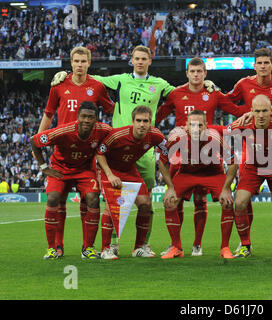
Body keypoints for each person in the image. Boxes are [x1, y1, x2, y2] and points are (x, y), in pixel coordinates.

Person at [51, 45, 219, 255]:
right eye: (136, 58)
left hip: (144, 151)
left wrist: (204, 84)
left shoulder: (159, 84)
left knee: (145, 200)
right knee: (113, 200)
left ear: (150, 61)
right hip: (116, 147)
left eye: (143, 58)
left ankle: (142, 245)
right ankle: (110, 244)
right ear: (131, 60)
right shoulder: (119, 79)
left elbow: (182, 93)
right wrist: (65, 75)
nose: (139, 61)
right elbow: (88, 77)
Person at [155, 57, 248, 256]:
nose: (196, 75)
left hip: (208, 155)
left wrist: (253, 113)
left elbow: (236, 110)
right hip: (181, 157)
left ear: (205, 74)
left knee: (200, 200)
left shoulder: (213, 94)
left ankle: (199, 244)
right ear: (187, 73)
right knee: (173, 199)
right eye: (193, 71)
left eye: (200, 71)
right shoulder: (176, 94)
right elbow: (157, 116)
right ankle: (176, 245)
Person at [41, 46, 115, 257]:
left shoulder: (97, 87)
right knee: (57, 200)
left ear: (89, 63)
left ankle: (87, 248)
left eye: (84, 61)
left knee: (90, 199)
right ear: (71, 63)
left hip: (87, 157)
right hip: (62, 153)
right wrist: (40, 140)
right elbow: (48, 114)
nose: (80, 65)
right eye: (76, 61)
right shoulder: (58, 85)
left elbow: (111, 111)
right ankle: (56, 248)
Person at [226, 48, 272, 256]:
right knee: (243, 200)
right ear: (254, 65)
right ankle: (246, 243)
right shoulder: (244, 84)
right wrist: (244, 115)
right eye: (259, 63)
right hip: (252, 149)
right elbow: (227, 101)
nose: (263, 66)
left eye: (266, 63)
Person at [219, 95, 272, 258]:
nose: (262, 115)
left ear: (271, 111)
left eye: (265, 111)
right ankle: (245, 245)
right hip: (252, 168)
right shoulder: (244, 124)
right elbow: (226, 133)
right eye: (257, 111)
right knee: (240, 203)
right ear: (251, 112)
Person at [31, 101, 113, 260]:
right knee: (54, 198)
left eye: (91, 117)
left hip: (84, 170)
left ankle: (88, 248)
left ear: (96, 119)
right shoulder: (64, 131)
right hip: (60, 168)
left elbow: (116, 139)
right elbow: (34, 141)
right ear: (77, 117)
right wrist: (43, 167)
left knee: (93, 199)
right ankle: (52, 248)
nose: (87, 120)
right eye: (83, 116)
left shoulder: (103, 130)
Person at [96, 106, 177, 259]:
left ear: (150, 122)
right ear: (132, 121)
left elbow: (166, 152)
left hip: (128, 169)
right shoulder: (118, 135)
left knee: (145, 204)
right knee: (111, 207)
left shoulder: (156, 136)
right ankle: (106, 248)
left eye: (145, 121)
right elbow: (99, 153)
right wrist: (109, 174)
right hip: (110, 170)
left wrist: (171, 183)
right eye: (138, 121)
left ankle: (138, 247)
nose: (142, 124)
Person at [158, 110, 236, 259]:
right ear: (185, 125)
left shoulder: (215, 137)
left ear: (206, 126)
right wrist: (170, 187)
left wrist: (226, 189)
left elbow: (233, 162)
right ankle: (176, 247)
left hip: (212, 173)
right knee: (169, 201)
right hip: (187, 173)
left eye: (199, 125)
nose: (195, 129)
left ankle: (224, 248)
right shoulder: (176, 137)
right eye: (192, 125)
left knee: (227, 202)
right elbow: (162, 162)